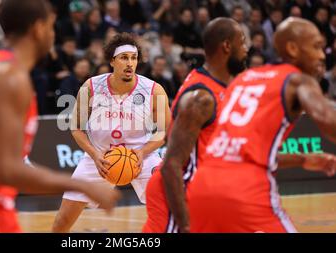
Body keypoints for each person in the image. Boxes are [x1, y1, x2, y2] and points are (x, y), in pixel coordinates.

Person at [0, 0, 120, 233]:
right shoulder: (7, 77)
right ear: (37, 28)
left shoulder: (8, 70)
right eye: (51, 26)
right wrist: (84, 186)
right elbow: (8, 170)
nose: (52, 34)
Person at [188, 17, 336, 232]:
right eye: (316, 47)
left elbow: (244, 153)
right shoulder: (297, 80)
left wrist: (303, 159)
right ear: (293, 48)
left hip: (201, 187)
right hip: (245, 191)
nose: (322, 55)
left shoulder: (244, 79)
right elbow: (326, 118)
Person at [52, 32, 171, 232]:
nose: (130, 63)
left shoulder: (153, 89)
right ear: (112, 61)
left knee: (169, 209)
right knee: (62, 221)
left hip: (141, 154)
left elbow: (163, 133)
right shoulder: (91, 86)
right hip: (99, 156)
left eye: (133, 58)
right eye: (124, 58)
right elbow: (77, 128)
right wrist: (95, 155)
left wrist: (141, 153)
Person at [143, 17, 248, 233]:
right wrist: (185, 225)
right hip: (176, 197)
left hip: (204, 195)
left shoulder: (224, 86)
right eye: (243, 42)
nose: (246, 49)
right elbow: (172, 165)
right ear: (227, 46)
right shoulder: (201, 97)